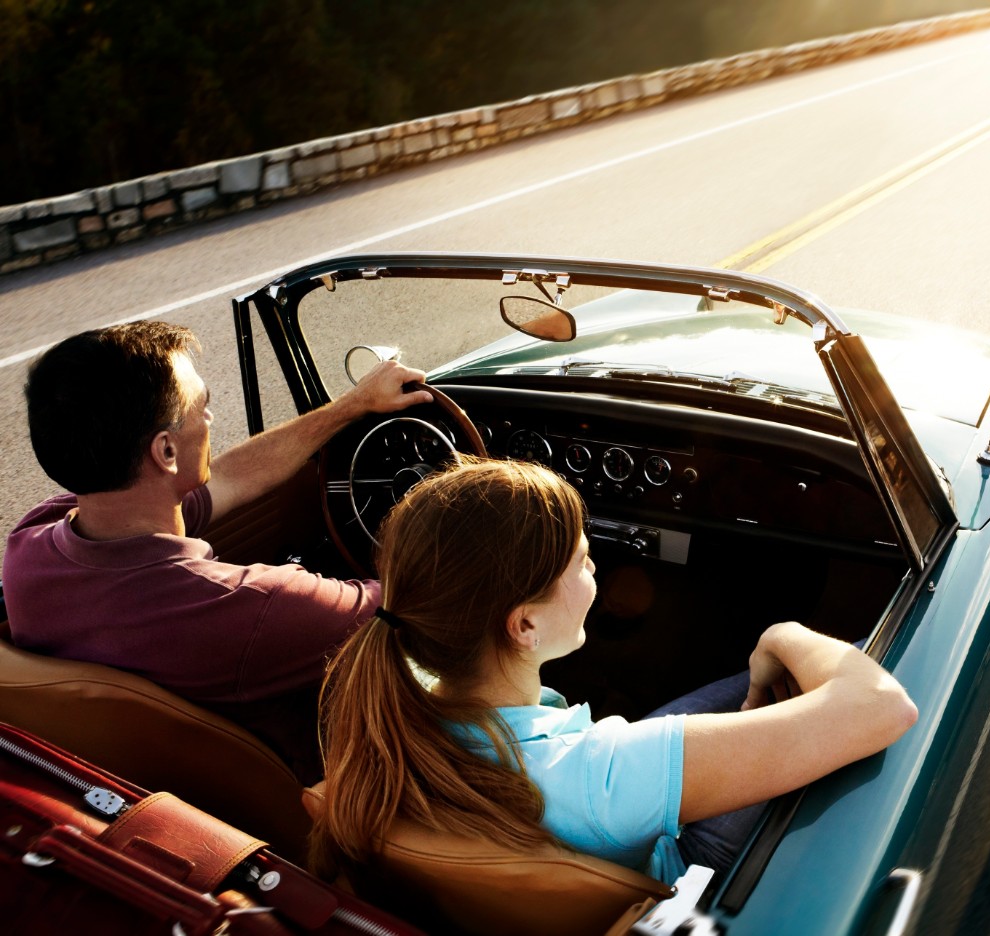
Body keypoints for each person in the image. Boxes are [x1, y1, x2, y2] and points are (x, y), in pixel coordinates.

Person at [310, 458, 918, 884]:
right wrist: (781, 633)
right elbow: (881, 706)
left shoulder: (397, 700)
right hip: (682, 861)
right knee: (870, 647)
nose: (597, 564)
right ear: (523, 625)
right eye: (581, 558)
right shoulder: (603, 772)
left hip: (604, 806)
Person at [3, 321, 434, 781]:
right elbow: (421, 602)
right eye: (202, 407)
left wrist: (353, 406)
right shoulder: (250, 605)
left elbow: (229, 478)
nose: (210, 419)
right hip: (333, 778)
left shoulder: (30, 545)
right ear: (166, 451)